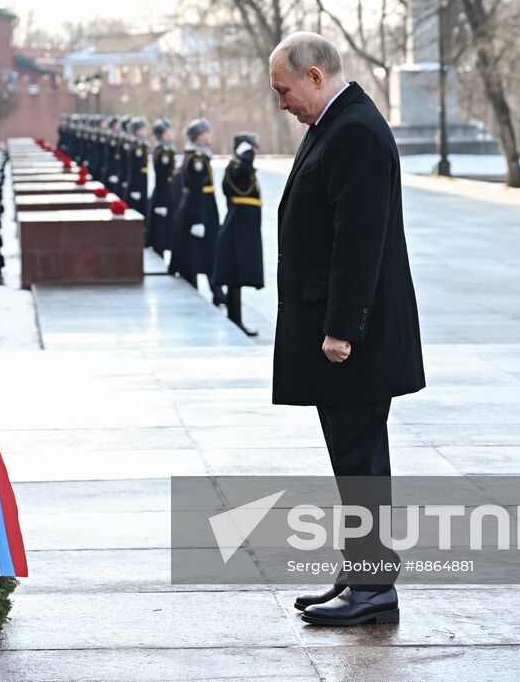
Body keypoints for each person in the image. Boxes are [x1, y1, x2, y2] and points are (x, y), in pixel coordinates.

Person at [268, 31, 424, 627]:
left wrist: (341, 330)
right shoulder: (338, 124)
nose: (281, 101)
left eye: (284, 89)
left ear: (314, 76)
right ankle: (363, 573)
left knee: (360, 460)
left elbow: (360, 243)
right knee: (355, 460)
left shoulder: (354, 130)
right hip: (346, 334)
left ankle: (373, 588)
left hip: (352, 340)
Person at [212, 133, 264, 336]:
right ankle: (235, 319)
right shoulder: (238, 166)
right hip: (238, 227)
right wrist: (246, 155)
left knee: (237, 276)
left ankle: (236, 319)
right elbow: (244, 170)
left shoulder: (236, 166)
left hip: (242, 227)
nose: (255, 153)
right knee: (235, 275)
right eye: (252, 149)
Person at [167, 117, 220, 299]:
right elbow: (197, 190)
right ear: (199, 136)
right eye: (207, 132)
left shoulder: (199, 155)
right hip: (199, 209)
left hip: (201, 207)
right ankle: (210, 290)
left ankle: (213, 289)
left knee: (198, 250)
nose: (210, 135)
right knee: (200, 251)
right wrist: (198, 219)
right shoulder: (197, 158)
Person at [146, 118, 176, 256]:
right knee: (161, 231)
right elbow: (162, 178)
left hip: (164, 193)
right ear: (163, 133)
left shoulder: (165, 149)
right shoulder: (163, 151)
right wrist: (162, 202)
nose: (172, 133)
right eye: (169, 130)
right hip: (163, 194)